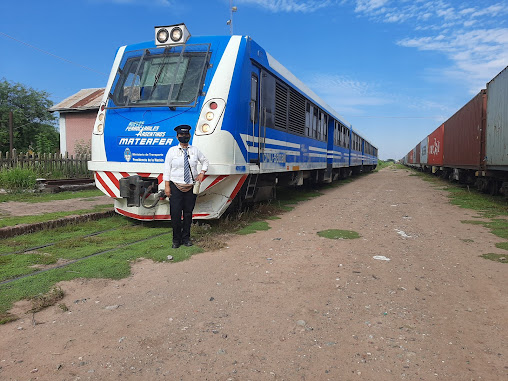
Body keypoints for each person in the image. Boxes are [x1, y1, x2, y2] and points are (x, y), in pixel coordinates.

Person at [163, 125, 209, 248]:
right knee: (176, 214)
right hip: (175, 186)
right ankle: (176, 240)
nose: (184, 137)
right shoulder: (172, 151)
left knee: (188, 214)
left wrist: (202, 173)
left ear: (189, 136)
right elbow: (167, 169)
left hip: (190, 187)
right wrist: (167, 186)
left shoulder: (195, 150)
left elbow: (205, 161)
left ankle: (186, 238)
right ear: (177, 136)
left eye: (186, 135)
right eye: (182, 135)